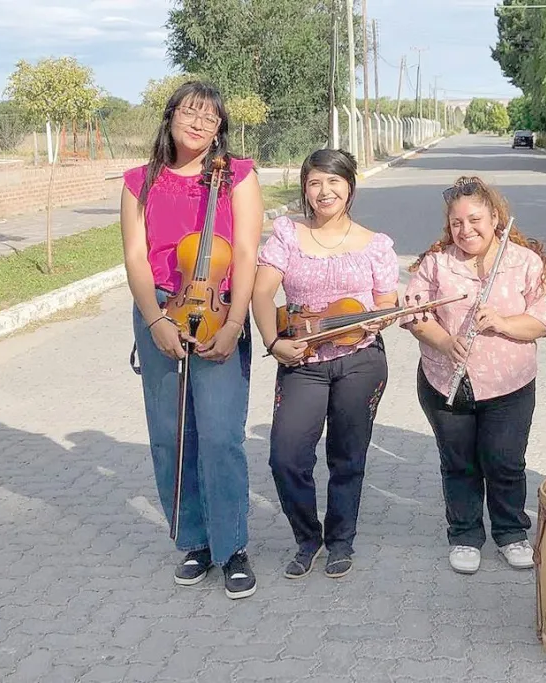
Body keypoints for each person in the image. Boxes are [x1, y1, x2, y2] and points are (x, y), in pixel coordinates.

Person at [120, 81, 263, 599]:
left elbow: (245, 251)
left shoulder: (236, 176)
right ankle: (196, 542)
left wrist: (233, 323)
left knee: (222, 434)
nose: (200, 123)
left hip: (220, 306)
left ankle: (233, 547)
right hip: (160, 306)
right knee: (171, 436)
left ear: (220, 128)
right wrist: (155, 320)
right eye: (191, 112)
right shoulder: (139, 180)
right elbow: (135, 256)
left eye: (211, 117)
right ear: (171, 116)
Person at [251, 148, 399, 580]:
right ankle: (306, 537)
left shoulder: (376, 245)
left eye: (333, 181)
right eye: (315, 182)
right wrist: (273, 341)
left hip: (360, 360)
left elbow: (387, 303)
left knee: (346, 456)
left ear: (349, 187)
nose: (324, 190)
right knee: (286, 457)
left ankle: (340, 541)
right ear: (305, 190)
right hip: (303, 359)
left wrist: (387, 314)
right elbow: (262, 295)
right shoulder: (287, 236)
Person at [402, 176, 546, 574]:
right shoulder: (436, 263)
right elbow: (415, 315)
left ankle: (510, 532)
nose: (466, 230)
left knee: (505, 461)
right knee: (458, 463)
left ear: (495, 218)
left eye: (475, 220)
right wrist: (445, 341)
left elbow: (543, 320)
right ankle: (465, 533)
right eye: (457, 223)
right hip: (445, 381)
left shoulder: (525, 261)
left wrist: (504, 322)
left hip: (509, 384)